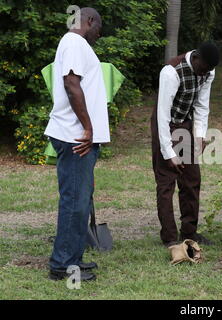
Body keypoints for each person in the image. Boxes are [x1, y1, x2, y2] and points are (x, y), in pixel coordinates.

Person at [44, 8, 106, 281]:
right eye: (98, 32)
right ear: (89, 21)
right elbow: (71, 83)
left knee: (80, 200)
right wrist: (88, 127)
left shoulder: (76, 44)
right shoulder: (73, 42)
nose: (98, 37)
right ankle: (63, 265)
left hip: (77, 137)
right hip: (75, 137)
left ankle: (74, 258)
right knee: (74, 202)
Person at [151, 42, 220, 247]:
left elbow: (201, 104)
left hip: (185, 125)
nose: (203, 74)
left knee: (191, 180)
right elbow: (162, 114)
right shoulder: (171, 72)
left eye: (207, 71)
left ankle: (189, 233)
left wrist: (199, 136)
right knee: (166, 183)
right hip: (165, 125)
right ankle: (170, 238)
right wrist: (168, 151)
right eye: (202, 69)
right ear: (196, 57)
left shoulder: (208, 71)